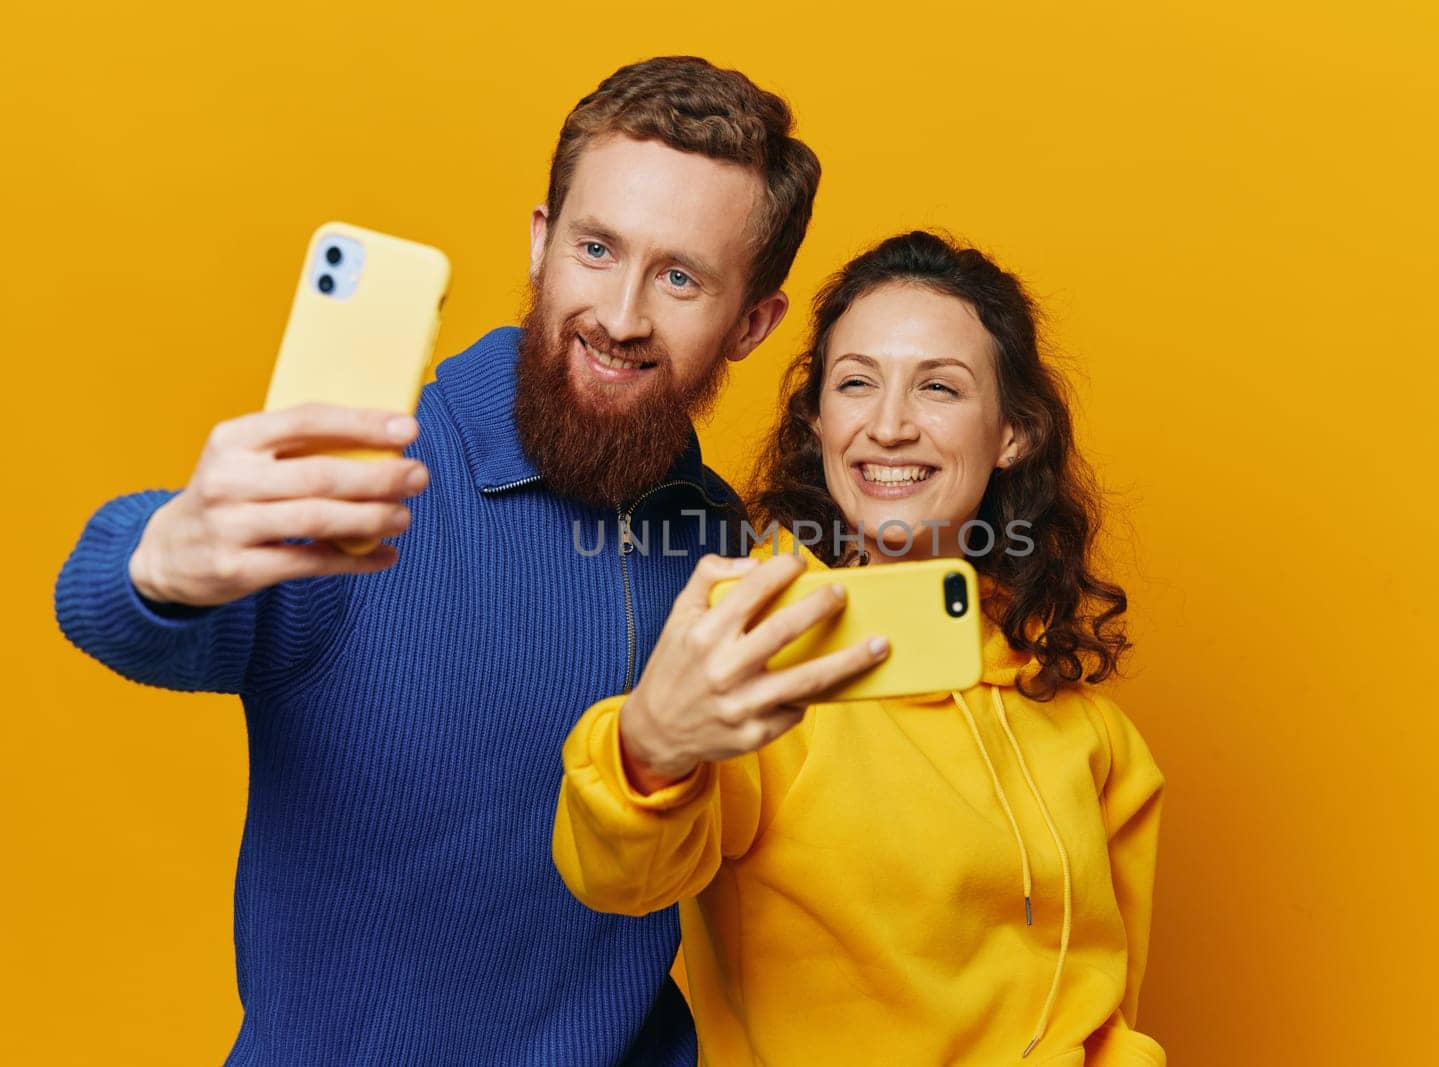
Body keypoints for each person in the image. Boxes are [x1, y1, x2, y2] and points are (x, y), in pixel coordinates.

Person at [52, 56, 852, 1065]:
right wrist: (159, 558)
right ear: (540, 243)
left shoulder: (722, 553)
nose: (620, 314)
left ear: (751, 323)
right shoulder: (371, 472)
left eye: (681, 277)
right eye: (597, 248)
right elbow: (114, 608)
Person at [553, 231, 1166, 1064]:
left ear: (1014, 431)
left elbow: (1106, 1002)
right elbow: (625, 877)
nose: (887, 425)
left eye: (939, 388)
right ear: (819, 421)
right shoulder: (765, 656)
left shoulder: (1088, 728)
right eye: (855, 383)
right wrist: (647, 751)